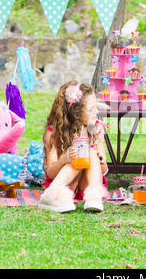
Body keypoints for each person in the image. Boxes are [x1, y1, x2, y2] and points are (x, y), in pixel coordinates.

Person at [38, 82, 108, 213]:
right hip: (64, 186)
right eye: (91, 109)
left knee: (90, 152)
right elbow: (51, 173)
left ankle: (93, 198)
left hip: (85, 188)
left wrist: (101, 160)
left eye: (96, 107)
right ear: (75, 112)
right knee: (79, 153)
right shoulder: (53, 133)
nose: (96, 112)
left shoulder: (96, 129)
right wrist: (65, 159)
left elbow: (103, 170)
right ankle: (50, 195)